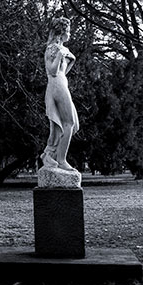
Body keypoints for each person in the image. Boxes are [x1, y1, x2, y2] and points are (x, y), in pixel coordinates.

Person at [40, 16, 79, 172]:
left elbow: (64, 71)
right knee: (68, 123)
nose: (70, 34)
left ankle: (50, 154)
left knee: (73, 124)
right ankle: (61, 160)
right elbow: (52, 71)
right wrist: (60, 56)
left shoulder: (62, 49)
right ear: (61, 32)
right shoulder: (53, 48)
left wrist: (70, 58)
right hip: (56, 85)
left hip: (62, 83)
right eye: (68, 31)